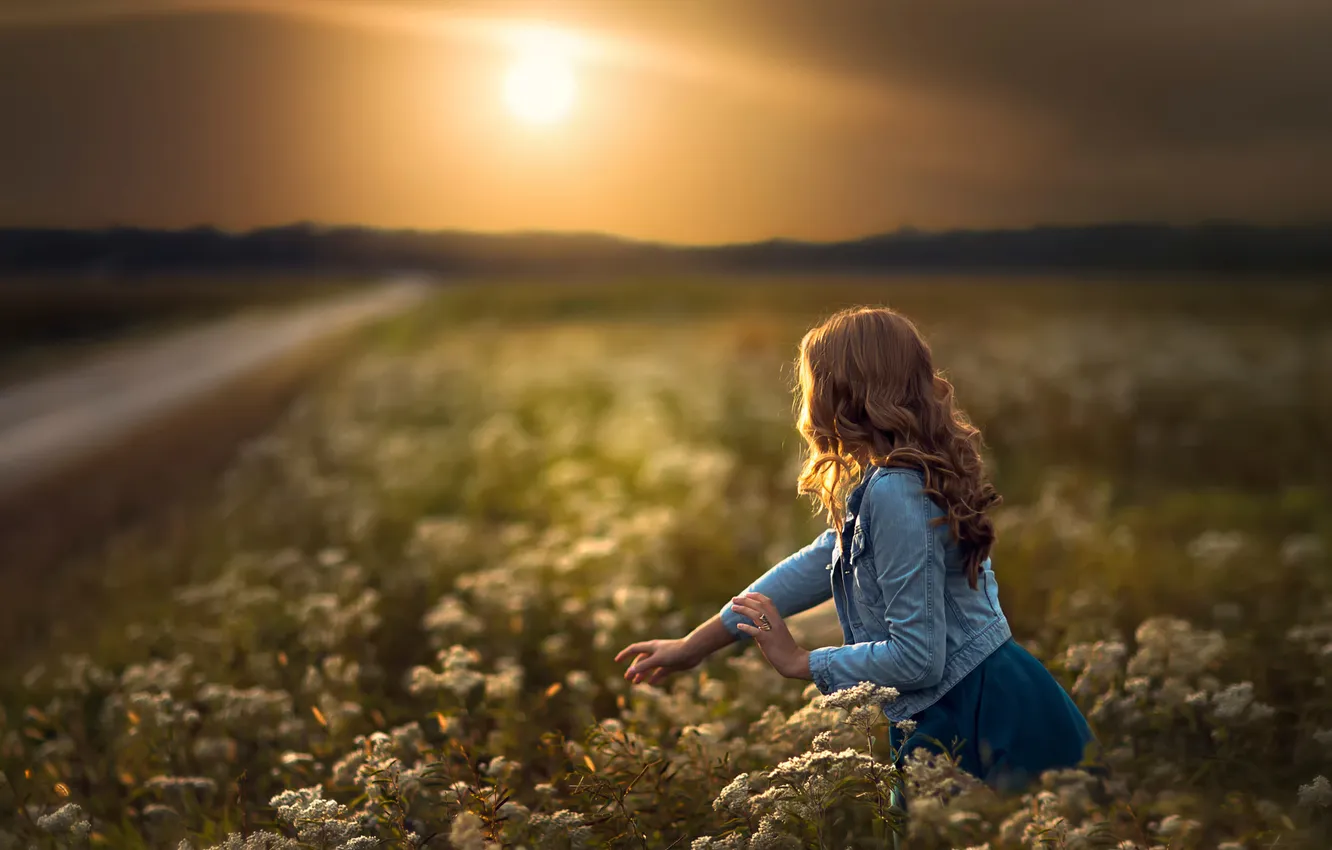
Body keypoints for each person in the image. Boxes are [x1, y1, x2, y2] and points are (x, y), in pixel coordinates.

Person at [614, 305, 1095, 795]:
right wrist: (691, 647)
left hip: (981, 719)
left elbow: (918, 660)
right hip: (979, 701)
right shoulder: (894, 480)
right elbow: (817, 563)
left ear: (840, 392)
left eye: (812, 383)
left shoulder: (896, 492)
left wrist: (803, 662)